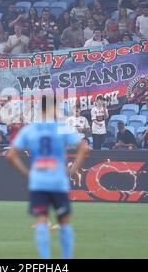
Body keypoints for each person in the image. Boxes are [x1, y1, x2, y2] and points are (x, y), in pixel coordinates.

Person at [6, 94, 89, 259]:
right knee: (64, 222)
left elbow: (10, 155)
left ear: (40, 108)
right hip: (58, 181)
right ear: (53, 108)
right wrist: (72, 171)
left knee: (42, 221)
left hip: (38, 181)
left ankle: (45, 260)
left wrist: (28, 173)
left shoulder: (30, 129)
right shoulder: (63, 127)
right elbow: (84, 149)